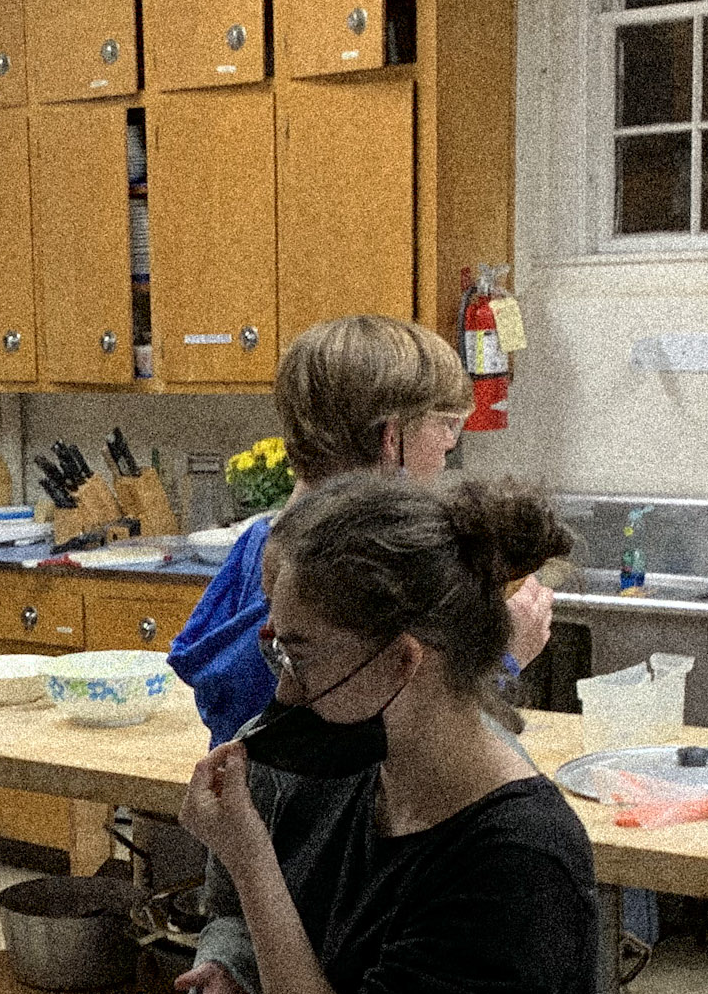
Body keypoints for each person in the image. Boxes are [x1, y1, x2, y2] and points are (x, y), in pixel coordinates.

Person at [97, 474, 597, 994]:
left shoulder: (520, 864)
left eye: (300, 656)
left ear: (402, 662)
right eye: (277, 653)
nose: (284, 693)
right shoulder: (348, 779)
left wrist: (253, 867)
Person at [169, 314, 555, 750]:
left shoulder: (259, 541)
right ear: (391, 438)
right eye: (446, 422)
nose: (451, 442)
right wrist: (507, 655)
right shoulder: (368, 573)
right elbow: (403, 745)